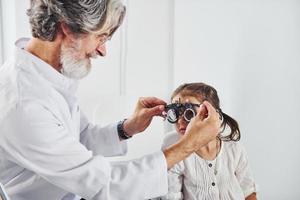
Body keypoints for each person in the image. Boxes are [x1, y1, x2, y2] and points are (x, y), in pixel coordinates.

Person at [0, 1, 221, 200]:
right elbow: (103, 185)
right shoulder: (23, 104)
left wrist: (127, 128)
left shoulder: (47, 75)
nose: (102, 51)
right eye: (101, 37)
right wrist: (189, 145)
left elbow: (79, 137)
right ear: (67, 26)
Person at [160, 82, 258, 200]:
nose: (180, 122)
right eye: (175, 113)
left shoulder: (234, 148)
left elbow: (248, 192)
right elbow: (172, 196)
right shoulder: (174, 149)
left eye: (189, 113)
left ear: (211, 115)